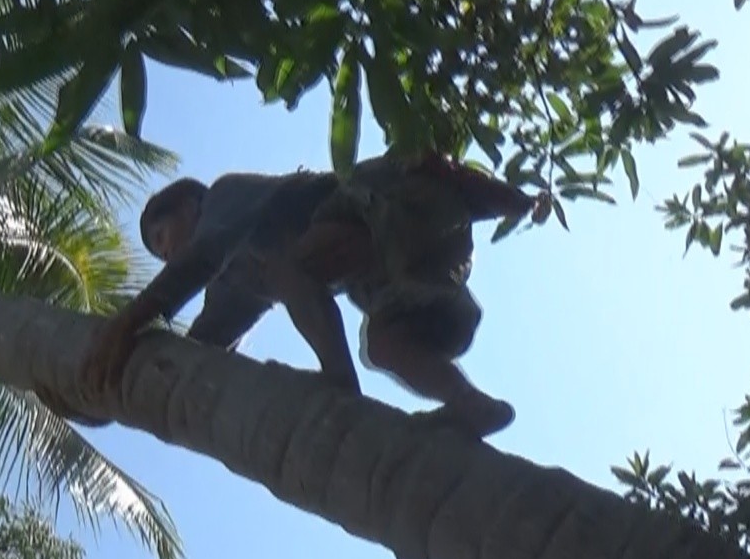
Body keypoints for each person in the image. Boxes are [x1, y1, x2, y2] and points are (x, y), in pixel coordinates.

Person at [76, 150, 536, 438]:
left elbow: (201, 259)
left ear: (190, 204)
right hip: (415, 276)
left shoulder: (223, 197)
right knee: (383, 345)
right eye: (158, 251)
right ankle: (472, 406)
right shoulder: (239, 281)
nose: (167, 250)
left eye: (162, 235)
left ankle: (339, 381)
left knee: (286, 266)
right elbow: (201, 345)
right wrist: (106, 398)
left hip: (390, 209)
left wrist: (123, 324)